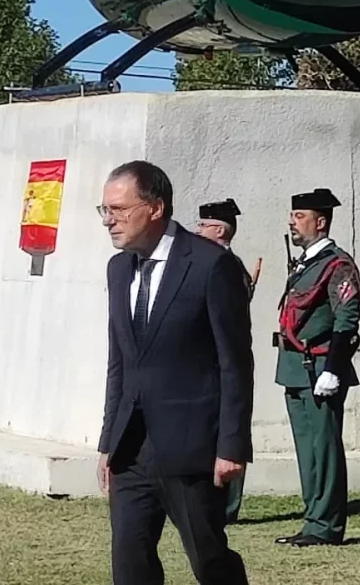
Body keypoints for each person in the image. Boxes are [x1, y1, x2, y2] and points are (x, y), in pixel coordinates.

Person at [96, 160, 253, 585]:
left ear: (155, 208)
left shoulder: (209, 264)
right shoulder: (118, 269)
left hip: (191, 447)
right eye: (104, 210)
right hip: (131, 449)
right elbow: (119, 363)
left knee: (209, 560)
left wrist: (232, 445)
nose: (109, 220)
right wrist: (109, 441)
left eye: (118, 209)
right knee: (130, 564)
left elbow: (235, 363)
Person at [273, 188, 360, 548]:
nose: (291, 223)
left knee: (324, 448)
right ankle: (313, 519)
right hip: (295, 367)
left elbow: (347, 318)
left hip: (320, 367)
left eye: (299, 217)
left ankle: (326, 524)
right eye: (292, 216)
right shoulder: (306, 263)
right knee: (307, 449)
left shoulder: (336, 264)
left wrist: (334, 368)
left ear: (321, 221)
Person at [197, 197, 255, 525]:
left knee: (229, 431)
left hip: (225, 362)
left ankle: (228, 506)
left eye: (204, 225)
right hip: (203, 361)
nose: (198, 230)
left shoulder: (228, 266)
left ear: (220, 230)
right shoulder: (208, 263)